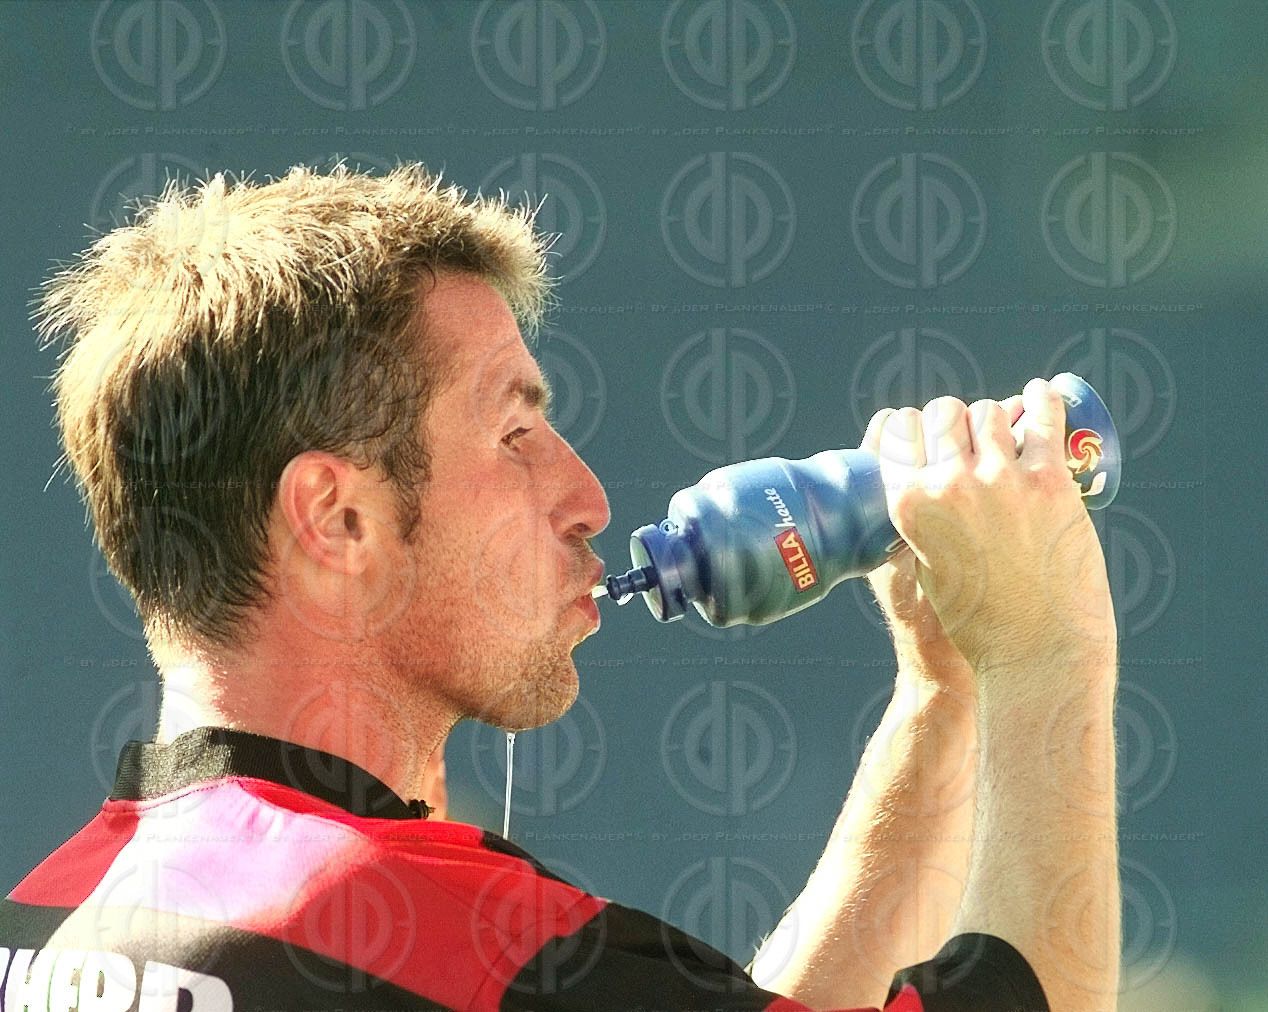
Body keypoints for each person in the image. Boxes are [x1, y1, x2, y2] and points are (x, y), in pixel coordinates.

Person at [1, 163, 1119, 1011]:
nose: (586, 495)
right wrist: (1046, 651)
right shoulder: (448, 940)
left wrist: (941, 694)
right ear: (337, 519)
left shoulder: (44, 919)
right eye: (514, 435)